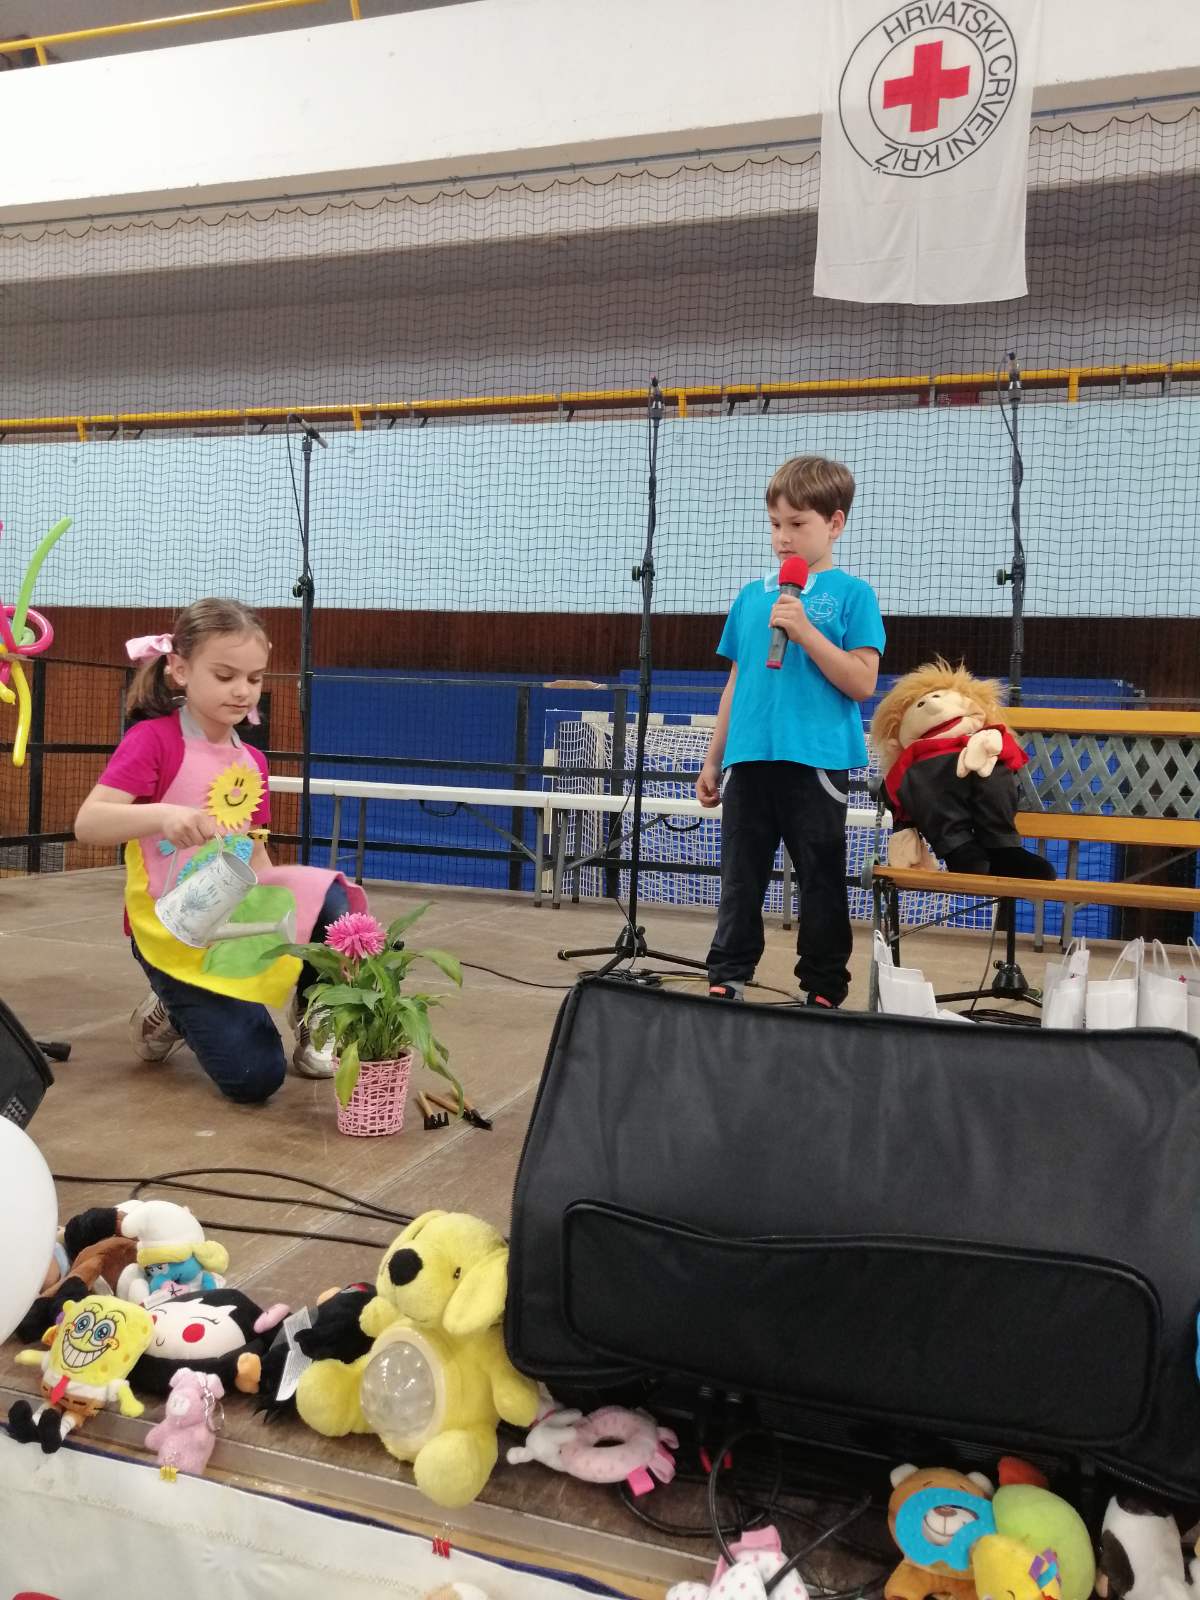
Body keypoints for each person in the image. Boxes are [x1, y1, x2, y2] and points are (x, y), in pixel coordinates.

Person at [74, 597, 369, 1103]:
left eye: (254, 678)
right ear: (180, 669)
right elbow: (89, 823)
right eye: (226, 675)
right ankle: (169, 1006)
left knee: (331, 897)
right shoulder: (153, 740)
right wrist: (162, 815)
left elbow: (254, 848)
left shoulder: (251, 760)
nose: (242, 690)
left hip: (231, 916)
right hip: (172, 928)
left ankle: (317, 1008)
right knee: (256, 1079)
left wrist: (287, 907)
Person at [696, 456, 885, 1008]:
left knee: (820, 875)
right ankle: (728, 971)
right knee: (740, 874)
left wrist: (806, 634)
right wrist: (714, 758)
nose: (783, 537)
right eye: (776, 523)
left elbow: (862, 682)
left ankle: (824, 984)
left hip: (816, 760)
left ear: (835, 523)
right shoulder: (751, 596)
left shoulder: (853, 595)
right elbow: (737, 681)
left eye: (798, 524)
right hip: (750, 757)